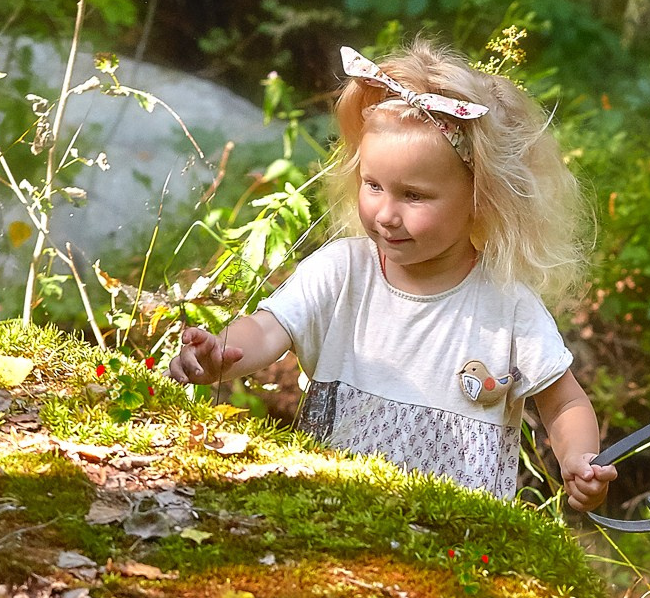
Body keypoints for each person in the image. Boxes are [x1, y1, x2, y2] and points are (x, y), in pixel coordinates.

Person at [172, 40, 617, 511]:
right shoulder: (342, 271)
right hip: (330, 514)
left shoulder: (506, 305)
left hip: (455, 537)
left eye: (414, 195)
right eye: (373, 185)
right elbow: (267, 327)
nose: (386, 213)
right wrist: (221, 352)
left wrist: (579, 458)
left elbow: (563, 403)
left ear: (480, 198)